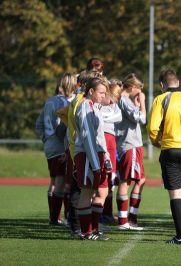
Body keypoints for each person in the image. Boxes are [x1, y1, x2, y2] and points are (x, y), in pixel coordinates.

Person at [147, 68, 181, 245]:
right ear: (178, 82)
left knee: (175, 193)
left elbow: (153, 129)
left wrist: (157, 143)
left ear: (162, 85)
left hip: (171, 149)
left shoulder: (161, 99)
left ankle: (180, 236)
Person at [35, 73, 76, 225]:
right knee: (62, 182)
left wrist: (46, 139)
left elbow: (39, 124)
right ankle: (58, 218)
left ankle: (55, 217)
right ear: (70, 86)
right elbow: (61, 126)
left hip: (50, 147)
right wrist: (64, 143)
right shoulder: (62, 102)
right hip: (59, 147)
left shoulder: (49, 101)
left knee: (53, 181)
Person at [74, 77, 110, 240]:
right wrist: (95, 163)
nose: (103, 96)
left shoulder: (94, 107)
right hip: (88, 155)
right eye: (101, 92)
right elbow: (87, 137)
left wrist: (106, 156)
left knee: (101, 190)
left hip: (97, 154)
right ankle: (86, 232)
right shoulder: (84, 107)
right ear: (91, 91)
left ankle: (94, 229)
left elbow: (99, 136)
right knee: (87, 192)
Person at [115, 74, 146, 230]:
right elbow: (141, 118)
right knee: (126, 182)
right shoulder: (124, 100)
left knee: (139, 180)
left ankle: (131, 219)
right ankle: (124, 221)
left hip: (131, 144)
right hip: (130, 144)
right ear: (132, 87)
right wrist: (142, 103)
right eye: (139, 88)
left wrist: (135, 103)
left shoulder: (126, 100)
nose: (140, 91)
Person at [99, 81, 122, 225]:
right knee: (101, 179)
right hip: (103, 140)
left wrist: (104, 117)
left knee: (111, 179)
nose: (114, 102)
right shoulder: (97, 105)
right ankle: (99, 215)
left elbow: (118, 116)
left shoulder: (114, 107)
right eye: (113, 98)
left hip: (111, 142)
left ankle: (107, 213)